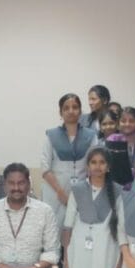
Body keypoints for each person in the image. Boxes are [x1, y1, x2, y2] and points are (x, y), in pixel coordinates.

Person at [41, 93, 98, 228]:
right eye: (66, 108)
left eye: (75, 107)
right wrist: (60, 192)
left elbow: (94, 166)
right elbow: (45, 168)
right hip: (55, 193)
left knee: (79, 230)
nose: (71, 111)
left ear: (80, 111)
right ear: (60, 113)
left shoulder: (91, 136)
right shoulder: (51, 135)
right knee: (53, 230)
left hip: (82, 192)